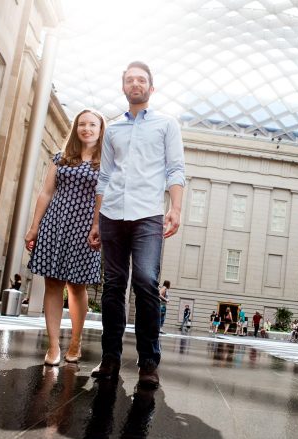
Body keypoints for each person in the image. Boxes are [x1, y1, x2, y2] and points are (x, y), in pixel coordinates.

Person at [87, 61, 185, 388]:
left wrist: (176, 207)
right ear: (123, 87)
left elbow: (175, 170)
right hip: (112, 213)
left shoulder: (166, 124)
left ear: (151, 88)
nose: (135, 84)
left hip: (148, 215)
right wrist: (97, 220)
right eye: (130, 79)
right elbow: (104, 177)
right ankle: (110, 359)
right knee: (114, 285)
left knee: (145, 281)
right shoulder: (112, 130)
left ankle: (148, 362)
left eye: (141, 80)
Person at [25, 108, 105, 366]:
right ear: (76, 128)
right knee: (52, 284)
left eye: (92, 124)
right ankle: (52, 346)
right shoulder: (61, 158)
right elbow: (46, 193)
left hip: (86, 228)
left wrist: (98, 226)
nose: (87, 128)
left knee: (77, 286)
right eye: (82, 124)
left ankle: (76, 340)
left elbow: (106, 198)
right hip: (55, 224)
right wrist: (34, 226)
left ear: (100, 129)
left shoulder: (106, 163)